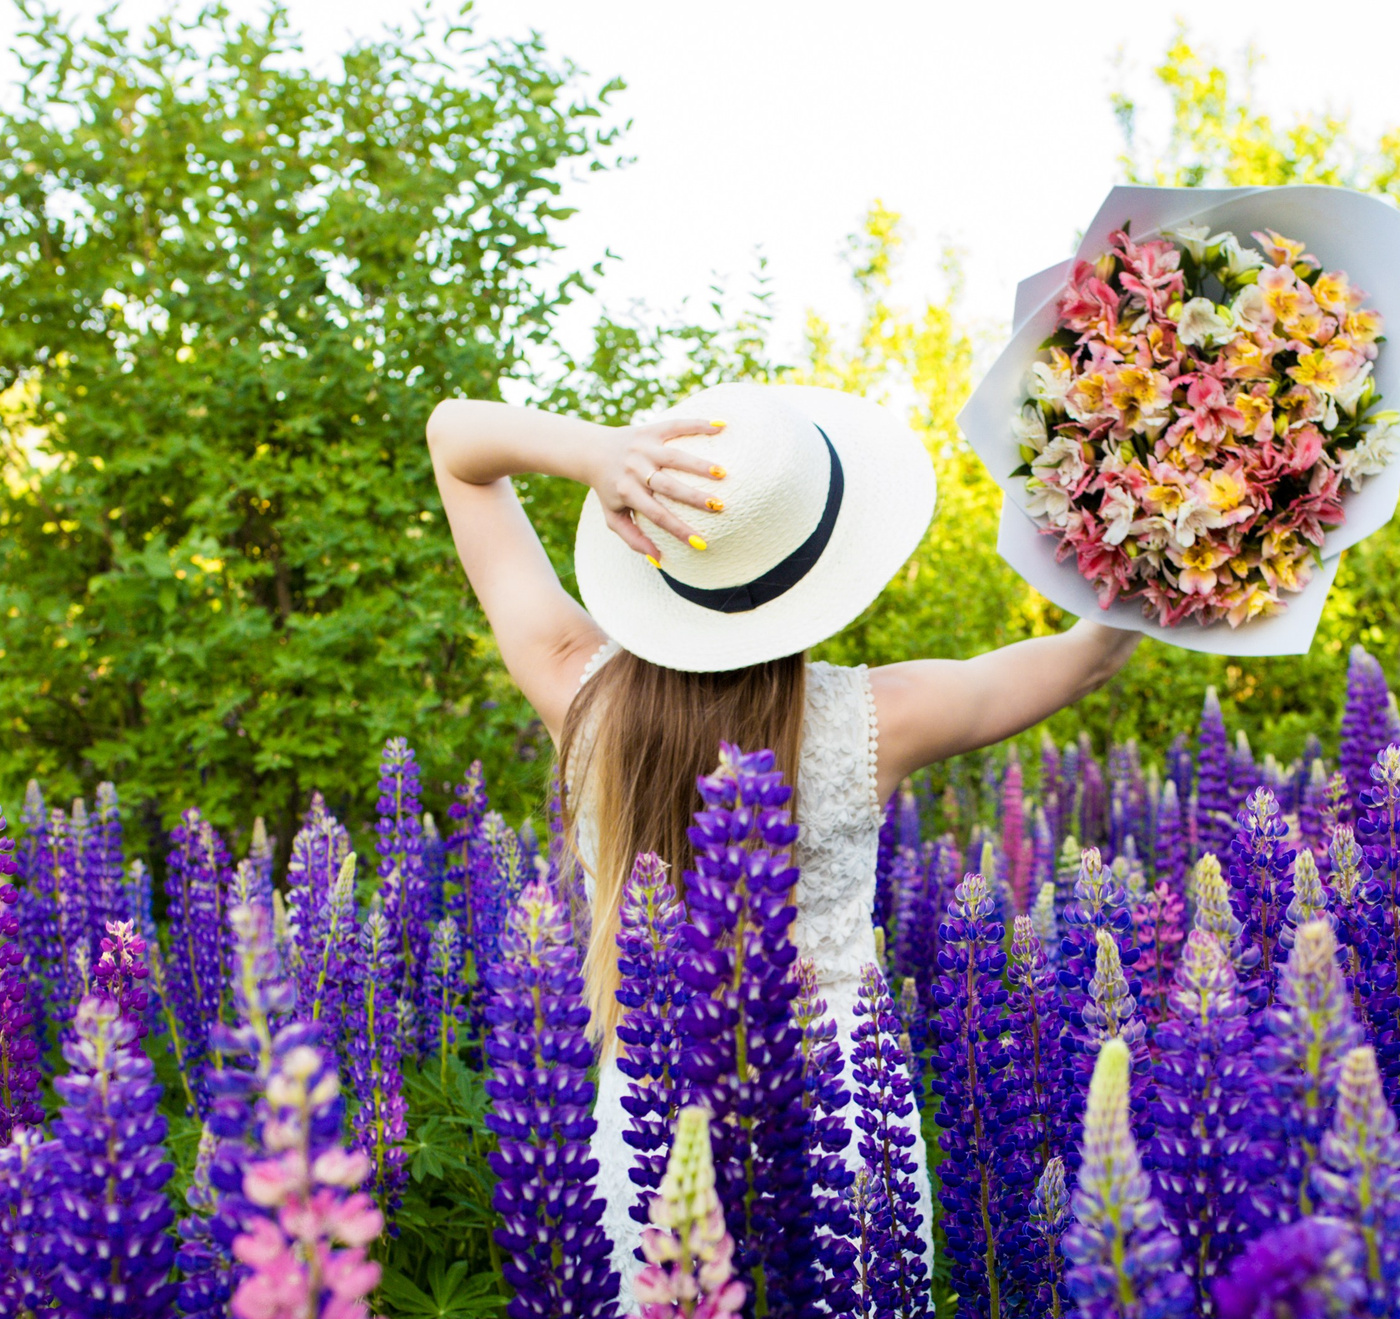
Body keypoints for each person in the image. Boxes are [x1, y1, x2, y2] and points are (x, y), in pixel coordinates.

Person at [427, 378, 1140, 1268]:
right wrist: (1157, 511)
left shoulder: (578, 691)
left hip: (648, 1124)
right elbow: (1088, 657)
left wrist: (599, 455)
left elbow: (455, 440)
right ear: (816, 570)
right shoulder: (881, 718)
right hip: (839, 1124)